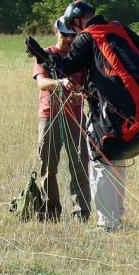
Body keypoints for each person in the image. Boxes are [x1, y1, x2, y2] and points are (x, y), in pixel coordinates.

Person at [57, 0, 139, 231]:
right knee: (114, 156)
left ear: (77, 21)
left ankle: (107, 223)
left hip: (123, 112)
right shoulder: (117, 28)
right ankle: (113, 218)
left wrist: (42, 56)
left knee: (101, 156)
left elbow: (66, 67)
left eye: (74, 27)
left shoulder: (86, 38)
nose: (75, 32)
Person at [32, 17, 91, 222]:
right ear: (56, 32)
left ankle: (81, 213)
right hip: (50, 116)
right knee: (47, 166)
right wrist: (61, 82)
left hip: (76, 116)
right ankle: (50, 212)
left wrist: (81, 94)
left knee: (80, 165)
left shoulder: (80, 56)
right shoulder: (45, 54)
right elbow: (41, 83)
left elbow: (87, 85)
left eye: (73, 35)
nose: (69, 39)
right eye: (65, 35)